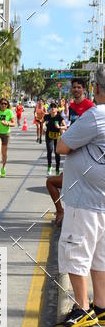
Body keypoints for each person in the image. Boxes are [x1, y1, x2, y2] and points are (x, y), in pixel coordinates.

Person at [54, 63, 105, 327]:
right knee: (100, 256)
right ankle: (102, 306)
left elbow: (63, 145)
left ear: (96, 89)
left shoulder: (95, 116)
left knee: (77, 254)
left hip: (84, 201)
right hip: (102, 202)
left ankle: (83, 308)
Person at [46, 82, 94, 226]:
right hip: (72, 153)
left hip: (86, 155)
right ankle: (61, 211)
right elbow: (71, 127)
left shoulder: (90, 107)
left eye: (79, 87)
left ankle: (78, 218)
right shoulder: (72, 107)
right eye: (74, 87)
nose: (76, 89)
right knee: (52, 182)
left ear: (85, 89)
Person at [0, 97, 15, 177]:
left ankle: (3, 168)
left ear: (7, 105)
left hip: (6, 134)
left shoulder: (9, 112)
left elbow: (13, 123)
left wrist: (7, 123)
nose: (3, 105)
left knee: (4, 153)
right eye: (2, 103)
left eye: (5, 104)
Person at [45, 103, 66, 176]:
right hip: (49, 136)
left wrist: (59, 127)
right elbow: (41, 122)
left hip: (57, 136)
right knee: (49, 150)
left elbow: (65, 126)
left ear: (57, 109)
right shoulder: (47, 116)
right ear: (50, 109)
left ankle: (57, 169)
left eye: (54, 107)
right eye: (51, 107)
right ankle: (49, 167)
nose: (53, 108)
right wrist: (43, 128)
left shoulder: (59, 117)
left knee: (57, 152)